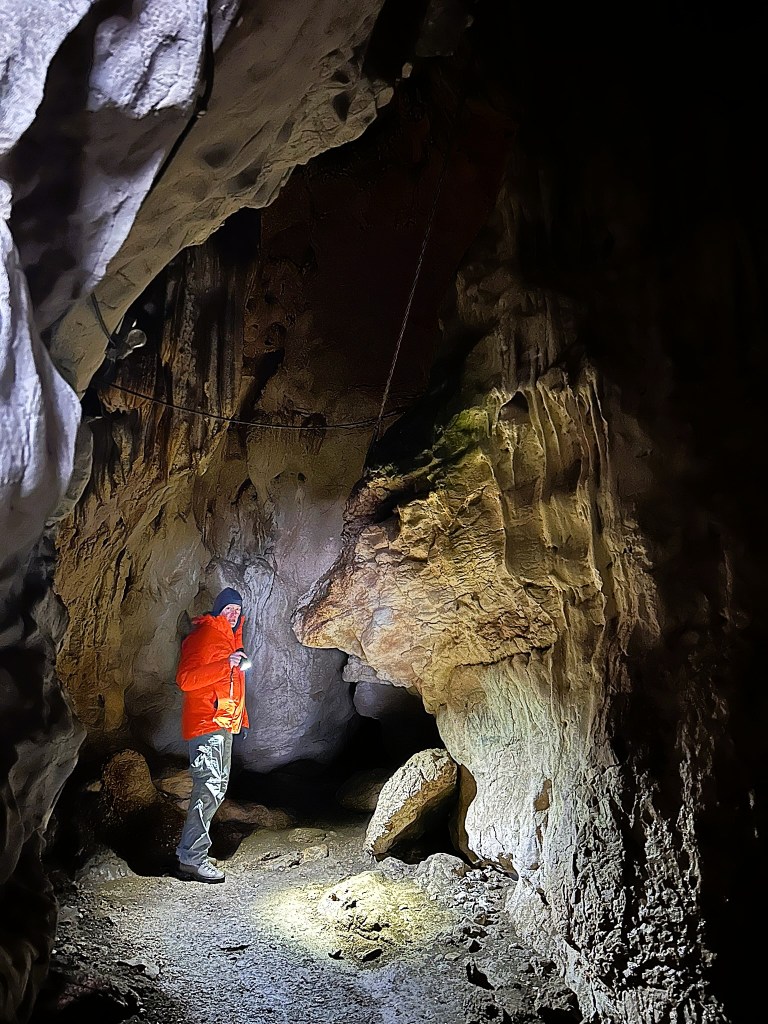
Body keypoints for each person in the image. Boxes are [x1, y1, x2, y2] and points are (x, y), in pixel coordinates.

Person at [175, 587, 249, 882]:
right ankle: (191, 858)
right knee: (208, 787)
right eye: (228, 608)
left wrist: (238, 720)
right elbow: (185, 679)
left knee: (215, 788)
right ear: (218, 610)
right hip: (207, 723)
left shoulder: (229, 640)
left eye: (237, 610)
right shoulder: (204, 637)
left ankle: (192, 854)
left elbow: (232, 688)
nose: (233, 614)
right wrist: (224, 665)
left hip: (222, 723)